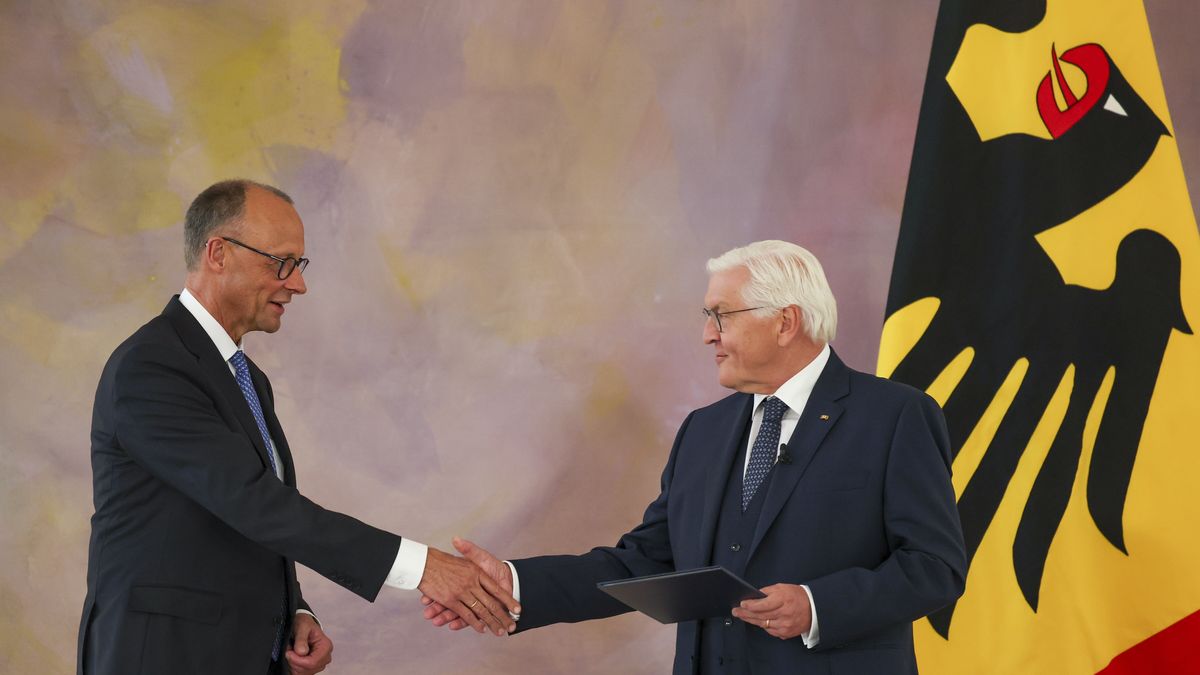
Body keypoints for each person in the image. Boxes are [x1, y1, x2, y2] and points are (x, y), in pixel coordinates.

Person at [424, 240, 967, 674]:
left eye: (722, 315)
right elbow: (647, 563)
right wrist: (513, 584)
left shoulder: (896, 416)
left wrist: (817, 605)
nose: (707, 335)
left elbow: (934, 567)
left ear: (785, 321)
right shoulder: (703, 431)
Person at [78, 180, 519, 675]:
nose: (297, 283)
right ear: (218, 253)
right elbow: (254, 503)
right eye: (280, 262)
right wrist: (423, 568)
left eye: (299, 265)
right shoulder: (152, 367)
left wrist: (294, 610)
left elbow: (245, 515)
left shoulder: (245, 378)